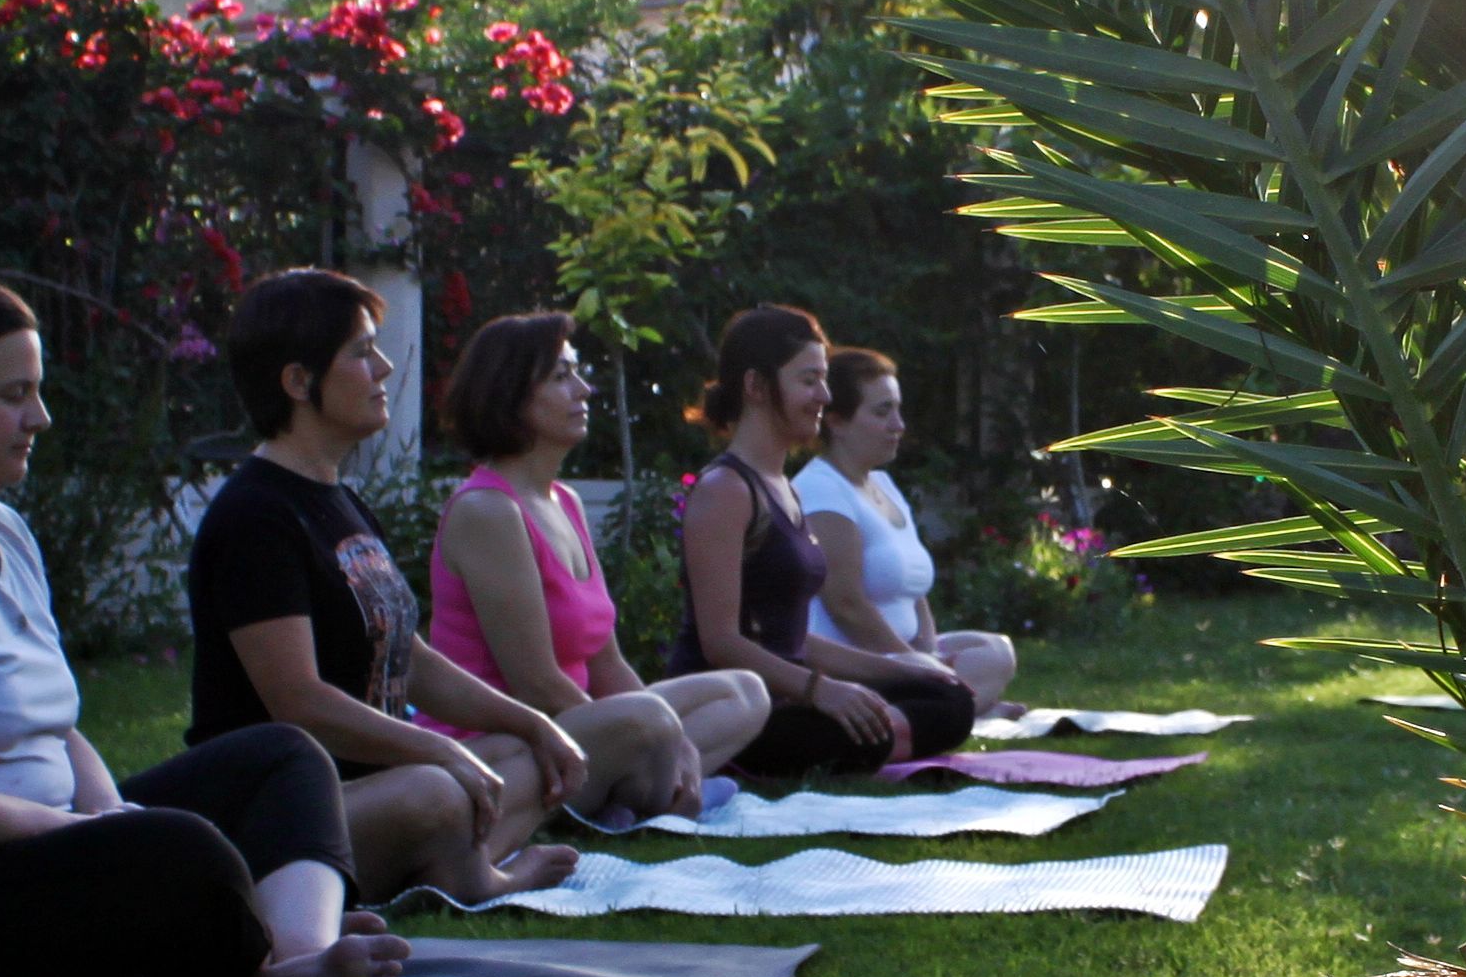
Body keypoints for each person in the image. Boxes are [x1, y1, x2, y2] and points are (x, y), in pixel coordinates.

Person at [0, 271, 402, 977]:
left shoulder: (0, 530)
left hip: (19, 852)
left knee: (283, 759)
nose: (40, 417)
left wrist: (107, 816)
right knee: (180, 852)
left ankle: (296, 958)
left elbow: (56, 727)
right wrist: (80, 834)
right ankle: (266, 964)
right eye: (14, 395)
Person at [184, 267, 586, 904]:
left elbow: (413, 660)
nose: (383, 369)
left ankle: (438, 858)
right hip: (284, 813)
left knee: (523, 753)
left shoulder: (340, 500)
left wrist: (535, 723)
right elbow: (298, 699)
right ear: (297, 381)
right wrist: (439, 752)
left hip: (378, 788)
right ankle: (466, 870)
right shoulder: (254, 517)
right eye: (360, 352)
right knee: (438, 789)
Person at [425, 311, 772, 815]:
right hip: (506, 743)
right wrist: (653, 733)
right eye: (562, 377)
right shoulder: (488, 511)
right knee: (649, 720)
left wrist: (676, 741)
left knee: (745, 692)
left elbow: (605, 663)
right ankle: (638, 792)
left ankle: (639, 793)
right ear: (510, 394)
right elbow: (536, 684)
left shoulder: (563, 501)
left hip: (581, 724)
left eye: (578, 373)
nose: (584, 390)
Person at [669, 303, 981, 774]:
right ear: (755, 386)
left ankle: (878, 733)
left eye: (824, 379)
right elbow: (721, 644)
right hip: (739, 710)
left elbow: (794, 640)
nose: (824, 395)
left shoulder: (785, 488)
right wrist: (822, 690)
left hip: (794, 691)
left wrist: (904, 666)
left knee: (945, 694)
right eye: (809, 380)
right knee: (887, 723)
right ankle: (862, 740)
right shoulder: (726, 490)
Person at [796, 346, 1021, 714]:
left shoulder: (884, 486)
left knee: (996, 651)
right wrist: (909, 664)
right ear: (836, 421)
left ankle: (955, 705)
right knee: (950, 673)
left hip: (903, 655)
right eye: (883, 412)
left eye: (898, 410)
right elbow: (845, 605)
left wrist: (928, 652)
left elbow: (915, 594)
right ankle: (953, 707)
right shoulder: (822, 490)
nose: (898, 425)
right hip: (856, 666)